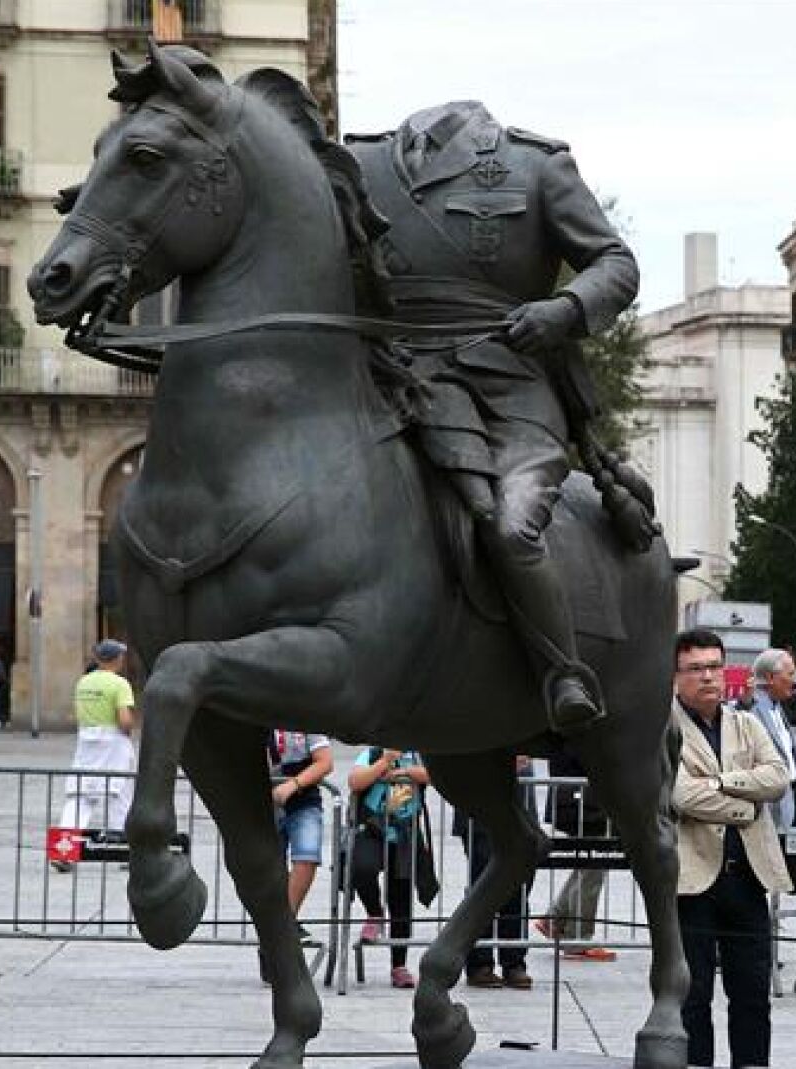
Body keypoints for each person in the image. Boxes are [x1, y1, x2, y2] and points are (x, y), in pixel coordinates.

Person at [347, 101, 642, 736]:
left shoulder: (534, 166)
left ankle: (563, 668)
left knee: (510, 526)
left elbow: (615, 266)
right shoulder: (360, 161)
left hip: (507, 384)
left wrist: (563, 310)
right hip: (391, 377)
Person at [671, 628, 790, 1069]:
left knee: (752, 994)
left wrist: (719, 784)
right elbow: (680, 795)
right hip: (692, 881)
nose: (707, 677)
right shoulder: (664, 729)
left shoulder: (747, 722)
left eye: (714, 667)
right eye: (695, 669)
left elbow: (777, 778)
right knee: (692, 996)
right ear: (675, 677)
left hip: (747, 877)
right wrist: (744, 804)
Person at [347, 747, 432, 990]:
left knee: (401, 897)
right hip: (373, 829)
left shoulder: (417, 754)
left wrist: (404, 771)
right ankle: (374, 912)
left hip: (405, 834)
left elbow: (433, 775)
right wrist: (383, 762)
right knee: (362, 868)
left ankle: (399, 965)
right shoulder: (372, 753)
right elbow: (355, 781)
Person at [454, 754, 534, 989]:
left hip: (518, 809)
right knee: (485, 886)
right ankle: (480, 962)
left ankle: (514, 962)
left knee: (517, 887)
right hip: (478, 811)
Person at [537, 748, 616, 962]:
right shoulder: (582, 723)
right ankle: (578, 939)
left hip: (578, 801)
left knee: (588, 865)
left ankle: (554, 918)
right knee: (593, 868)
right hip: (585, 803)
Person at [58, 639, 138, 837]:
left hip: (87, 739)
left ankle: (64, 847)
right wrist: (129, 729)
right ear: (117, 659)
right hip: (114, 741)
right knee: (119, 794)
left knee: (80, 795)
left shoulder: (83, 682)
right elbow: (125, 720)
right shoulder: (119, 684)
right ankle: (120, 846)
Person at [748, 648, 796, 882]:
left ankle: (773, 915)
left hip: (787, 800)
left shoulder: (777, 708)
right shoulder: (752, 709)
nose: (795, 680)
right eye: (790, 673)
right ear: (771, 678)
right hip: (766, 806)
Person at [268, 731, 334, 925]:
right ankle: (276, 924)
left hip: (304, 801)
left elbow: (325, 762)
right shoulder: (256, 718)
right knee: (267, 865)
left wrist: (293, 785)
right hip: (263, 805)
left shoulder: (307, 717)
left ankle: (286, 921)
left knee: (307, 856)